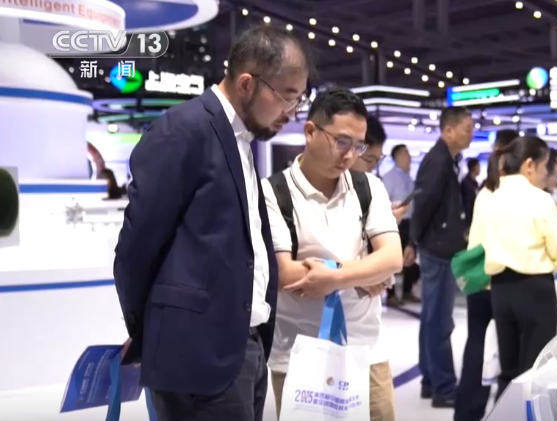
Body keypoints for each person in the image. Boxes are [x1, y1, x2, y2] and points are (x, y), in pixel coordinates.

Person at [113, 26, 310, 421]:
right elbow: (137, 247)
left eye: (299, 99)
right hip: (196, 358)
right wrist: (150, 332)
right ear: (247, 84)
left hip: (244, 349)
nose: (292, 112)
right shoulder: (183, 129)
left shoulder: (241, 139)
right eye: (287, 97)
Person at [263, 88, 403, 421]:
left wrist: (335, 275)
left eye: (359, 146)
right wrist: (361, 272)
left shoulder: (368, 187)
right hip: (298, 352)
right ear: (310, 131)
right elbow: (285, 272)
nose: (350, 155)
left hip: (365, 350)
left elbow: (392, 259)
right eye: (341, 142)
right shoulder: (273, 192)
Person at [475, 135, 557, 395]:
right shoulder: (541, 199)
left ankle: (505, 411)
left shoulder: (488, 197)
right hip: (536, 289)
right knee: (536, 372)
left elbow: (476, 247)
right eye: (544, 166)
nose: (546, 173)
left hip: (500, 290)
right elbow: (556, 249)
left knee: (509, 369)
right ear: (529, 165)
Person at [411, 106, 474, 408]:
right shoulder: (438, 161)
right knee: (439, 321)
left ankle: (430, 381)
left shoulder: (447, 160)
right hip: (437, 251)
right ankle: (444, 388)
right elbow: (423, 205)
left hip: (438, 248)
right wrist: (417, 241)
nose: (471, 134)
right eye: (467, 128)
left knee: (432, 319)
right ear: (448, 131)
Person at [455, 128, 517, 421]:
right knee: (507, 353)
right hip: (504, 280)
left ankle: (467, 413)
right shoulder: (517, 195)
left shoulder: (484, 190)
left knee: (476, 345)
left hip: (478, 276)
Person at [381, 143, 421, 305]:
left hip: (410, 223)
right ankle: (390, 293)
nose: (409, 157)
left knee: (409, 257)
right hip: (395, 221)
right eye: (405, 154)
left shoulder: (410, 179)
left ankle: (407, 290)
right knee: (393, 257)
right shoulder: (389, 178)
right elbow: (384, 201)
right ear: (397, 157)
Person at [460, 158, 481, 225]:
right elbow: (467, 202)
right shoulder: (466, 183)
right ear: (473, 168)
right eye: (478, 166)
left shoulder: (475, 183)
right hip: (468, 217)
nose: (480, 169)